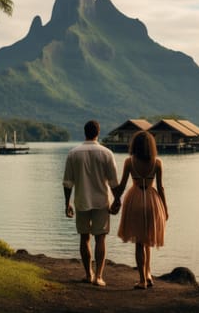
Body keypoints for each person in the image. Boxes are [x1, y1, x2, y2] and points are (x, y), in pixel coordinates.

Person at [63, 120, 119, 287]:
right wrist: (117, 200)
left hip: (81, 200)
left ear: (84, 132)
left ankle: (88, 274)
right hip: (102, 201)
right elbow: (114, 182)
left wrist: (67, 203)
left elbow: (67, 183)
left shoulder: (73, 153)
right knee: (100, 239)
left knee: (84, 238)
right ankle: (99, 277)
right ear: (98, 132)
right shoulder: (107, 153)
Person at [112, 130, 168, 290]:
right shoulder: (157, 163)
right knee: (148, 240)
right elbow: (161, 188)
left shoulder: (129, 162)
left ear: (135, 145)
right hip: (152, 200)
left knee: (139, 243)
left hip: (134, 199)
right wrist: (165, 208)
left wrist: (115, 200)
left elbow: (122, 186)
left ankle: (143, 279)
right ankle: (148, 274)